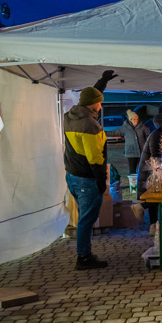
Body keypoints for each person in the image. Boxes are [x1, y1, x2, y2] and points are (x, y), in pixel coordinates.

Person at [63, 86, 109, 270]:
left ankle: (85, 254)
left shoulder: (70, 116)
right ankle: (83, 257)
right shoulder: (90, 125)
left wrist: (101, 83)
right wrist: (101, 179)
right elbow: (94, 157)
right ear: (94, 104)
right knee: (86, 220)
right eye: (100, 102)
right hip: (86, 178)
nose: (101, 105)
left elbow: (88, 96)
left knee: (84, 216)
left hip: (72, 175)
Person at [107, 109, 150, 174]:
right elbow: (114, 132)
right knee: (132, 170)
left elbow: (147, 137)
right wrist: (102, 132)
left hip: (141, 152)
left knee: (143, 169)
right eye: (134, 119)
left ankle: (141, 182)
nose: (136, 121)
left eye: (137, 119)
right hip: (131, 153)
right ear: (130, 120)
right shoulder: (125, 128)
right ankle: (133, 183)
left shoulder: (142, 127)